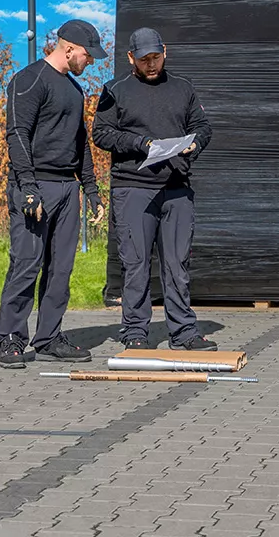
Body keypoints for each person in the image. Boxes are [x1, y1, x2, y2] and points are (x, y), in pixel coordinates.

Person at [92, 27, 216, 351]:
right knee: (135, 264)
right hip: (133, 188)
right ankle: (135, 333)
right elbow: (101, 134)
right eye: (144, 59)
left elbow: (202, 126)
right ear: (131, 57)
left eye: (156, 58)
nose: (151, 65)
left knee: (177, 264)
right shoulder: (114, 90)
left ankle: (184, 333)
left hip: (177, 189)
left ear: (165, 52)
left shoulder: (183, 88)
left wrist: (194, 144)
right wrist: (138, 143)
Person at [0, 20, 108, 369]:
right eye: (88, 55)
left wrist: (91, 189)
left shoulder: (75, 91)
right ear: (68, 47)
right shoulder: (28, 81)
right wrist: (28, 188)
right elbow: (17, 134)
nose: (90, 62)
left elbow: (80, 143)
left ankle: (48, 337)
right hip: (34, 188)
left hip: (67, 187)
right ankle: (11, 338)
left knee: (61, 268)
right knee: (27, 264)